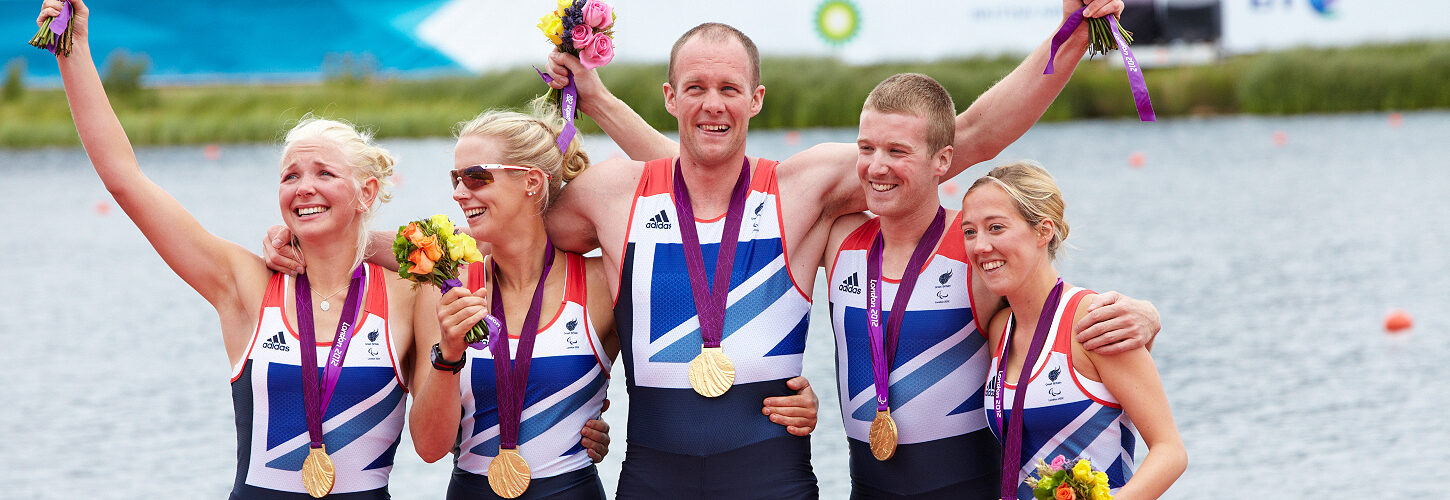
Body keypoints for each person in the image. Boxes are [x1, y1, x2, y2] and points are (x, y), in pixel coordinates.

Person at [538, 2, 1157, 497]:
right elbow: (528, 250)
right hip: (659, 473)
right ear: (670, 98)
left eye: (729, 87)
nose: (713, 104)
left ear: (756, 100)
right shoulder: (623, 196)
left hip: (783, 474)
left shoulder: (806, 191)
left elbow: (969, 137)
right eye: (695, 88)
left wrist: (1075, 26)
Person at [40, 1, 432, 498]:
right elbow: (126, 182)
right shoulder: (247, 284)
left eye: (324, 174)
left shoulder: (407, 292)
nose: (303, 188)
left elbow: (484, 261)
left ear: (367, 193)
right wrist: (72, 51)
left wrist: (369, 244)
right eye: (290, 176)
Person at [823, 74, 1159, 499]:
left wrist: (1147, 314)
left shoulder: (972, 249)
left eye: (896, 151)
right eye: (866, 148)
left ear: (943, 161)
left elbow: (1051, 301)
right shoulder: (836, 239)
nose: (876, 165)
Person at [408, 107, 619, 499]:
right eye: (456, 178)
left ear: (532, 182)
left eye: (476, 176)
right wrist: (449, 355)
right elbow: (428, 448)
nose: (458, 192)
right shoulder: (446, 290)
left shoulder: (601, 284)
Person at [962, 161, 1186, 499]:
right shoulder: (999, 329)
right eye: (969, 231)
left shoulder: (1095, 321)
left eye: (995, 228)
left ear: (1043, 231)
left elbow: (1170, 452)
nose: (980, 246)